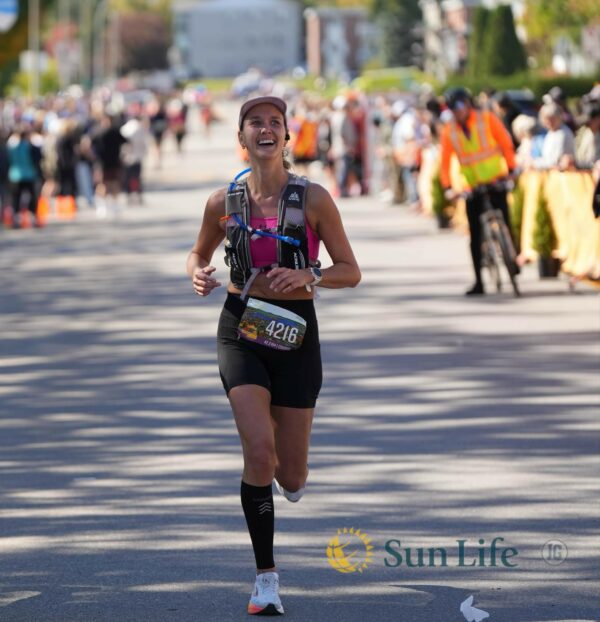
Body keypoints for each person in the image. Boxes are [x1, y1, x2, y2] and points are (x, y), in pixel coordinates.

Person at [186, 95, 360, 616]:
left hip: (295, 334)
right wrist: (195, 270)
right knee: (258, 451)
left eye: (274, 123)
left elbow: (351, 269)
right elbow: (198, 251)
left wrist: (311, 274)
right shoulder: (224, 202)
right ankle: (266, 578)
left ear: (287, 137)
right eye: (255, 123)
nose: (265, 129)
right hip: (241, 328)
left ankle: (289, 478)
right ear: (241, 139)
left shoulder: (314, 199)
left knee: (292, 474)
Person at [440, 87, 517, 295]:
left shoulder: (487, 118)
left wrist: (511, 168)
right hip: (472, 186)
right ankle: (479, 282)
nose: (457, 111)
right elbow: (445, 162)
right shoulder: (449, 131)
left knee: (506, 222)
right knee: (475, 235)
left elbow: (505, 142)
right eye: (452, 108)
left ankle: (513, 258)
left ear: (468, 103)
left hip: (496, 179)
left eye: (459, 105)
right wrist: (448, 187)